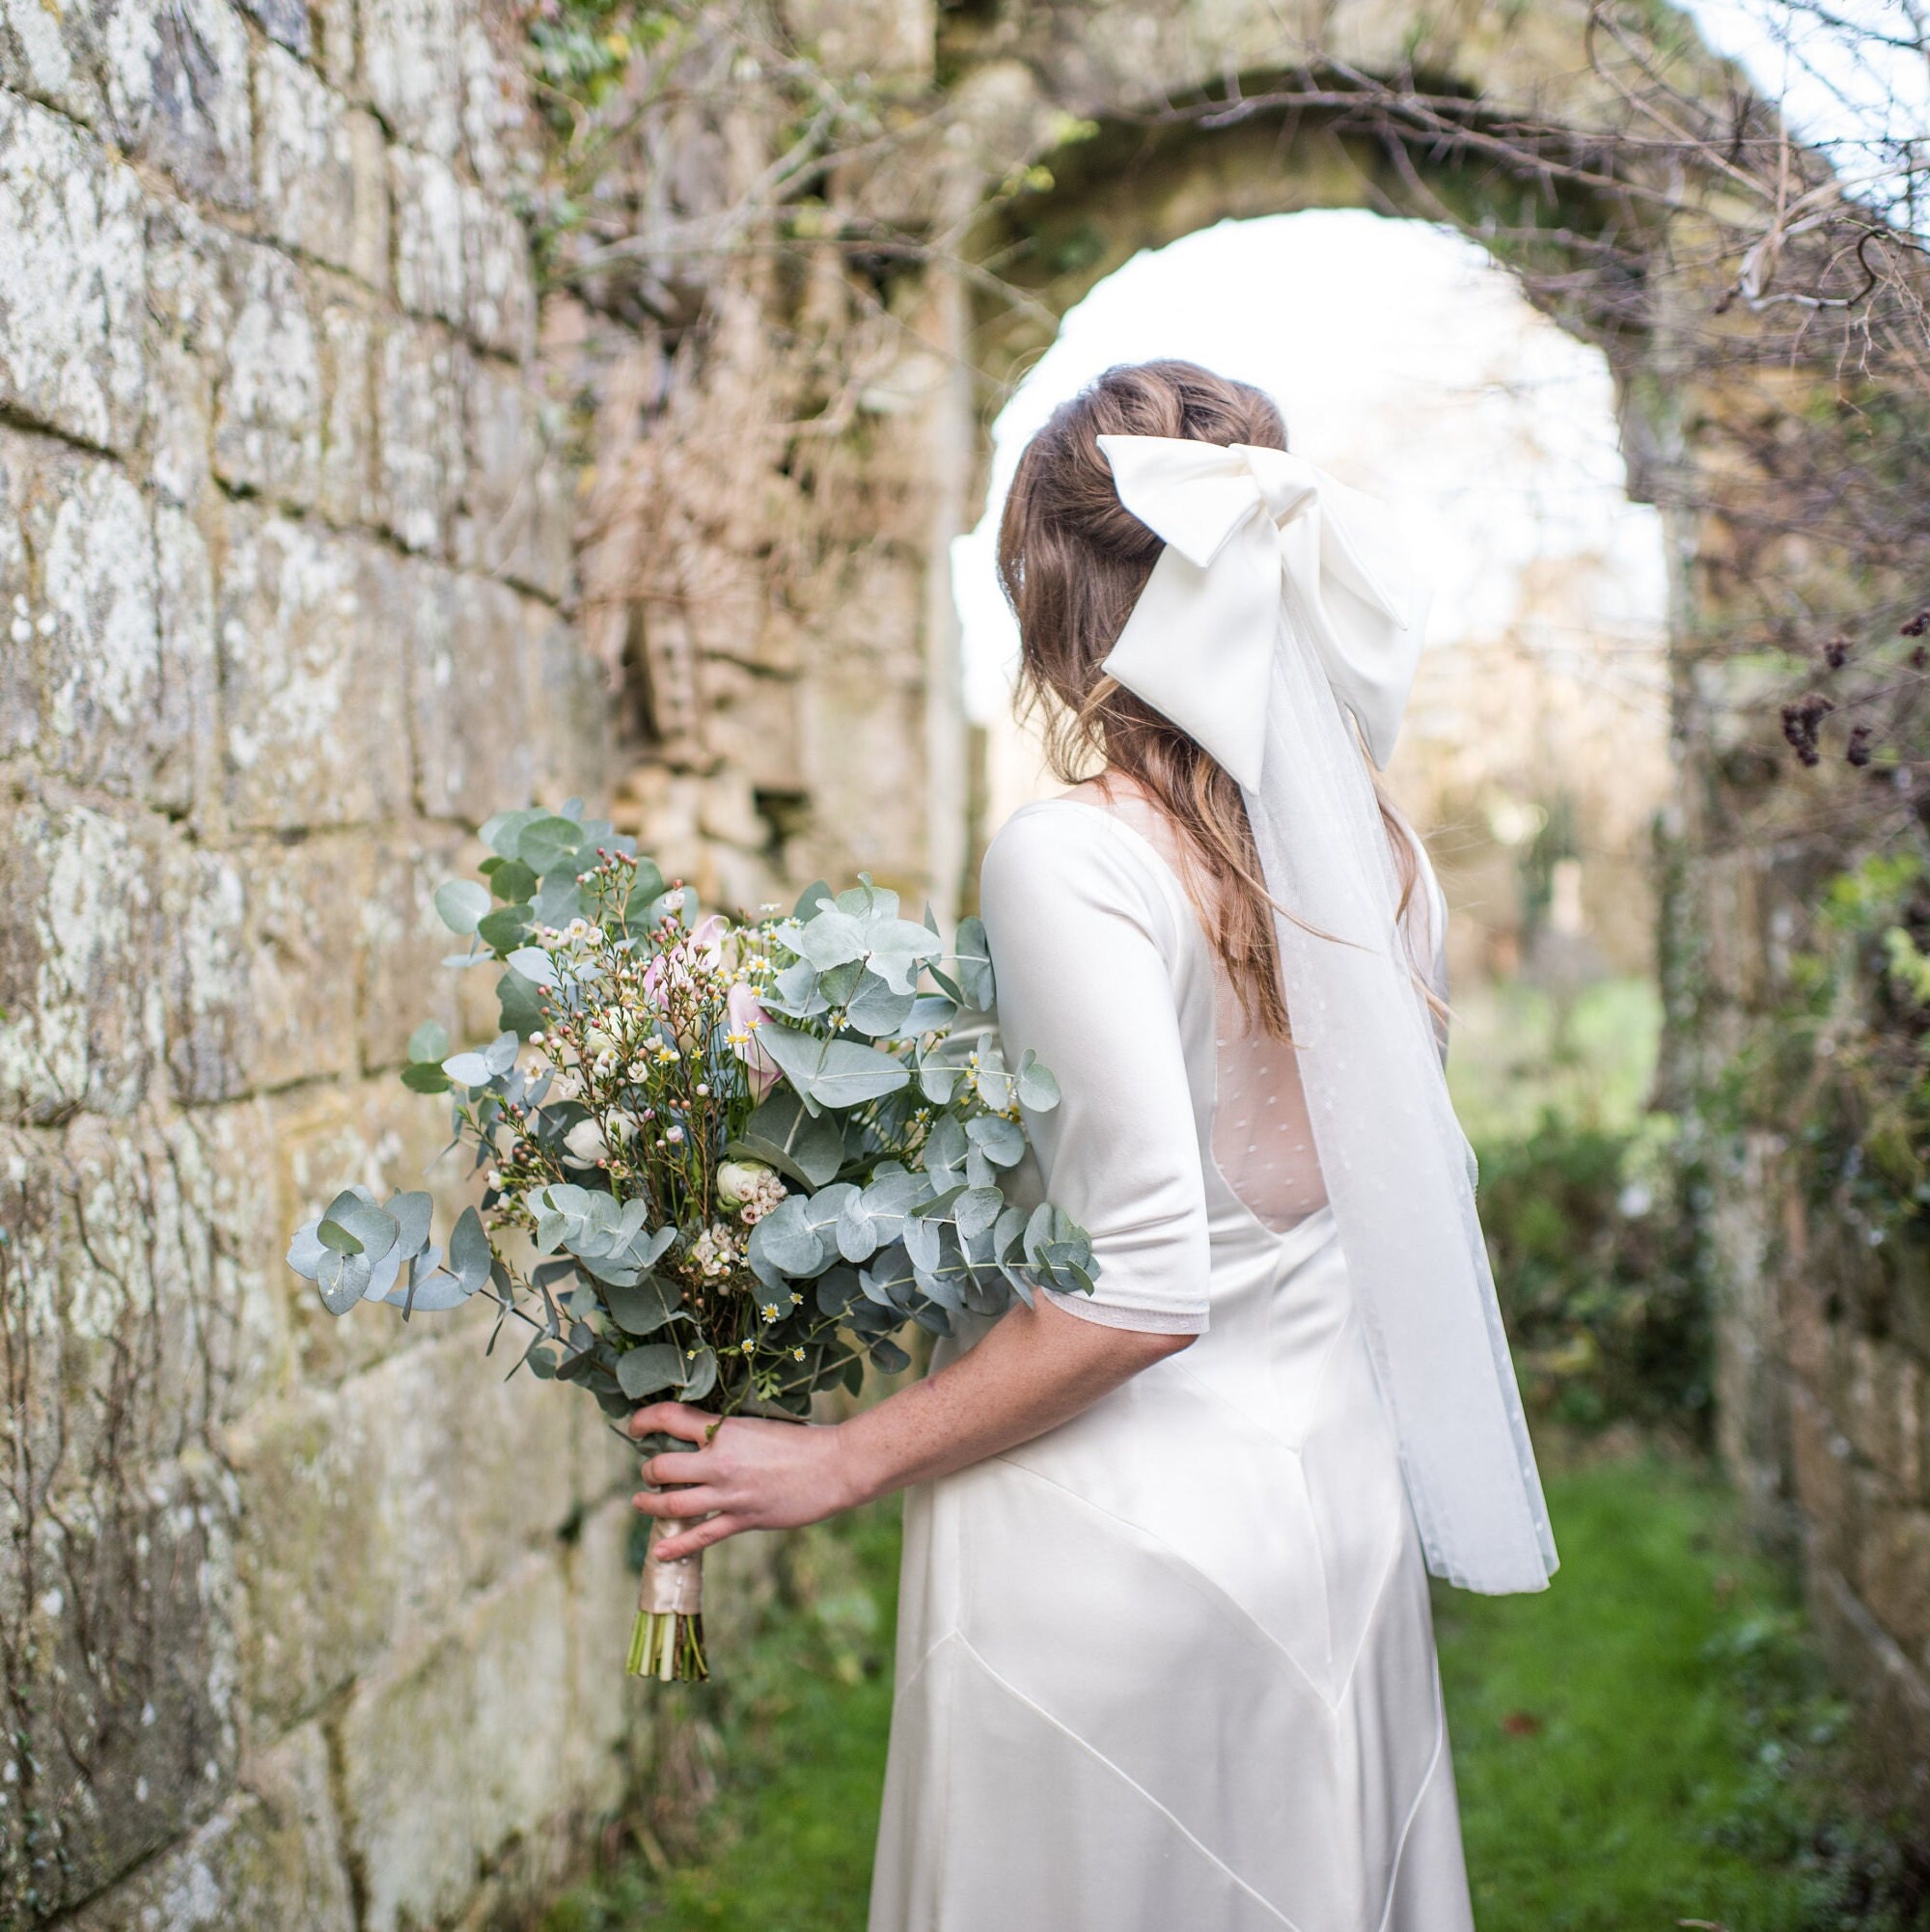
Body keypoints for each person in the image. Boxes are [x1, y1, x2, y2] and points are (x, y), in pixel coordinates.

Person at [627, 358, 1557, 1929]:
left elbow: (1138, 1286)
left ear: (1063, 604)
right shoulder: (1388, 865)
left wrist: (834, 1458)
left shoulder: (1077, 858)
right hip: (1330, 1522)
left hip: (1106, 1558)